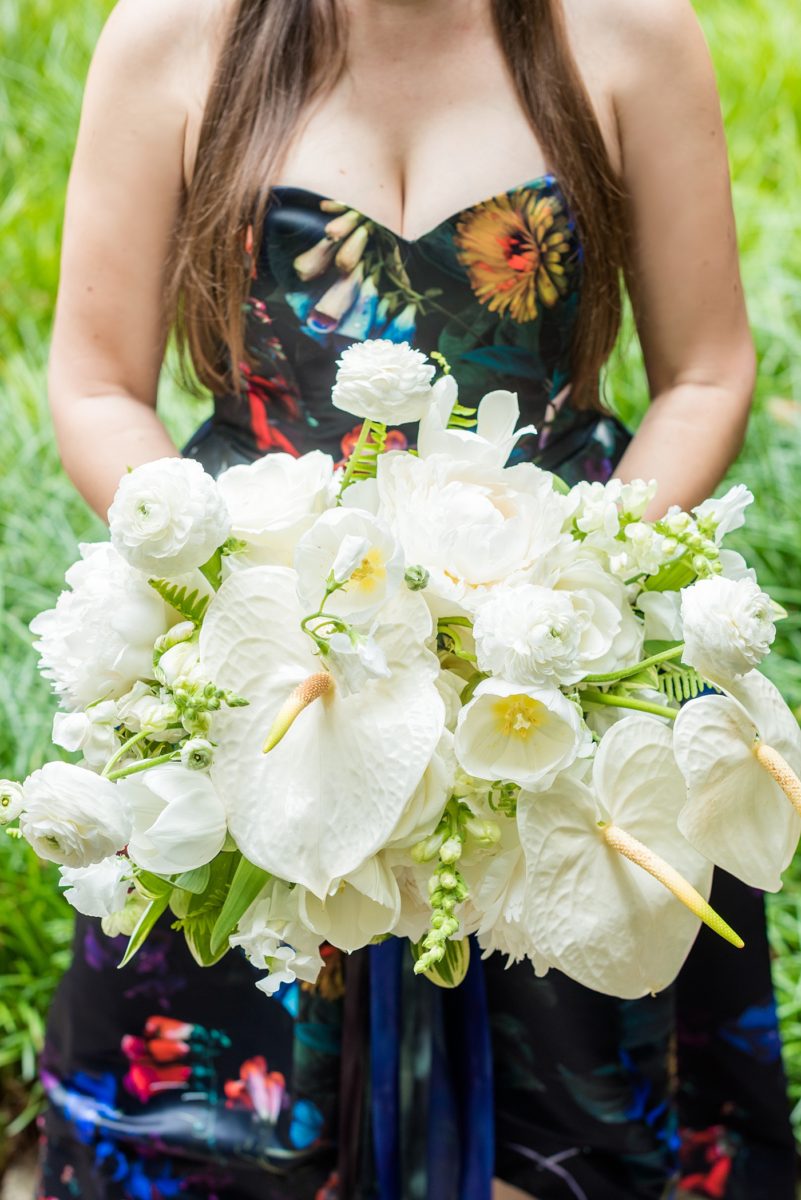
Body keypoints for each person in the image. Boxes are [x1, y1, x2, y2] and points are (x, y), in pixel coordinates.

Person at [35, 0, 796, 1197]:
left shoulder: (630, 31)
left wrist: (573, 585)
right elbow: (91, 379)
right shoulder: (173, 35)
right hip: (271, 642)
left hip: (551, 641)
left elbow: (704, 371)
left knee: (591, 1093)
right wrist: (226, 575)